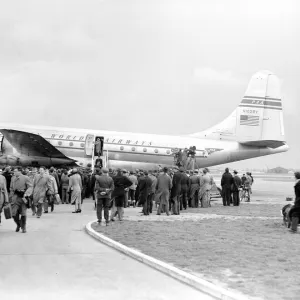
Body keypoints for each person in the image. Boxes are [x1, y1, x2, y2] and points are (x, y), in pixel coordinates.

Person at [10, 167, 33, 233]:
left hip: (23, 198)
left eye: (15, 171)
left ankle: (24, 227)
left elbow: (30, 187)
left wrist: (26, 193)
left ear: (19, 171)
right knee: (14, 213)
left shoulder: (26, 178)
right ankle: (18, 224)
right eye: (13, 171)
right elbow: (11, 188)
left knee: (23, 213)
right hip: (15, 197)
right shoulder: (13, 178)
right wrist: (10, 196)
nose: (14, 172)